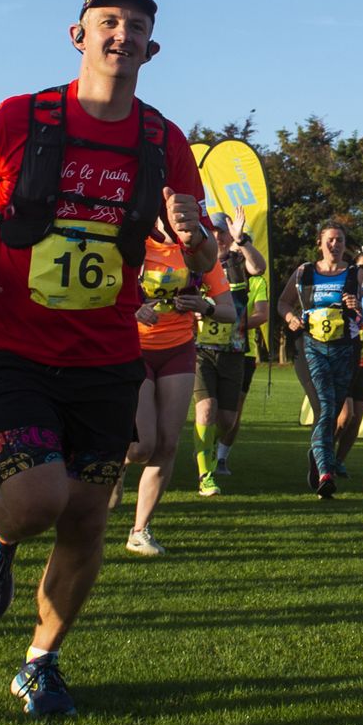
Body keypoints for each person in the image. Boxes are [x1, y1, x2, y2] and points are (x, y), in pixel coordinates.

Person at [0, 0, 214, 717]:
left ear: (151, 49)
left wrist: (196, 236)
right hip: (14, 345)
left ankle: (41, 661)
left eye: (135, 27)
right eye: (108, 22)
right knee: (40, 495)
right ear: (78, 35)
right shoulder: (20, 117)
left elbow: (198, 255)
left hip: (105, 356)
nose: (121, 34)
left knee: (89, 520)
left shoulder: (163, 140)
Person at [119, 230, 233, 553]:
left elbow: (229, 310)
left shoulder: (199, 252)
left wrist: (203, 305)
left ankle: (140, 530)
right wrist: (132, 311)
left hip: (179, 350)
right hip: (135, 348)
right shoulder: (134, 244)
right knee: (141, 446)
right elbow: (106, 294)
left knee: (167, 445)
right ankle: (117, 467)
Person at [280, 223, 363, 499]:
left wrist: (357, 306)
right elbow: (283, 303)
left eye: (339, 240)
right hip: (310, 348)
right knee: (326, 409)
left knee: (336, 412)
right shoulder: (305, 271)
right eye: (329, 240)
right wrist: (291, 319)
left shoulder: (354, 274)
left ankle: (318, 458)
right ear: (319, 243)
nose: (334, 245)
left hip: (344, 351)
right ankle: (325, 473)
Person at [191, 213, 265, 494]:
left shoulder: (237, 262)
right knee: (206, 410)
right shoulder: (195, 262)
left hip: (234, 351)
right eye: (213, 231)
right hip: (201, 349)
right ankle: (205, 476)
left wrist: (241, 240)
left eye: (222, 232)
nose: (218, 236)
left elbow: (258, 268)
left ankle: (207, 449)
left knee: (226, 421)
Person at [335, 248, 363, 471]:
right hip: (345, 363)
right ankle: (322, 455)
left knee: (356, 419)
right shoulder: (345, 293)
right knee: (345, 416)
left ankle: (339, 461)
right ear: (354, 269)